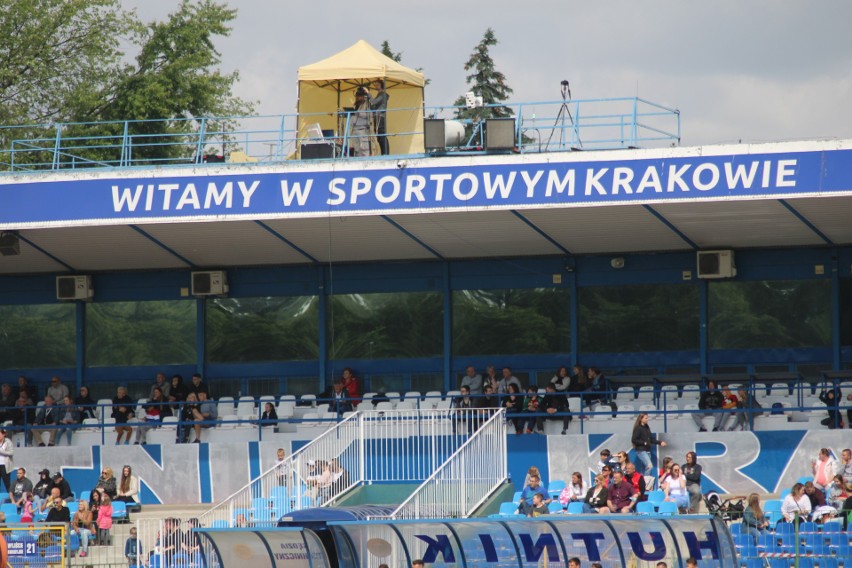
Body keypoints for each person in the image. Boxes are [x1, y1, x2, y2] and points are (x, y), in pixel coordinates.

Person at [350, 87, 373, 157]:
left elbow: (370, 115)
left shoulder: (367, 104)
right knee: (356, 150)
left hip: (363, 129)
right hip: (354, 129)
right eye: (357, 96)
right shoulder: (356, 105)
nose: (357, 98)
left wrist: (358, 113)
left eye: (359, 96)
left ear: (363, 97)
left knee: (364, 149)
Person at [369, 79, 389, 155]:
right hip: (377, 116)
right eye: (376, 85)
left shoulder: (383, 94)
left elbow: (374, 102)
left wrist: (369, 94)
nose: (376, 86)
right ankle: (384, 153)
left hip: (380, 116)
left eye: (377, 85)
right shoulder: (379, 94)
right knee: (379, 136)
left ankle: (385, 153)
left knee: (381, 136)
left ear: (381, 86)